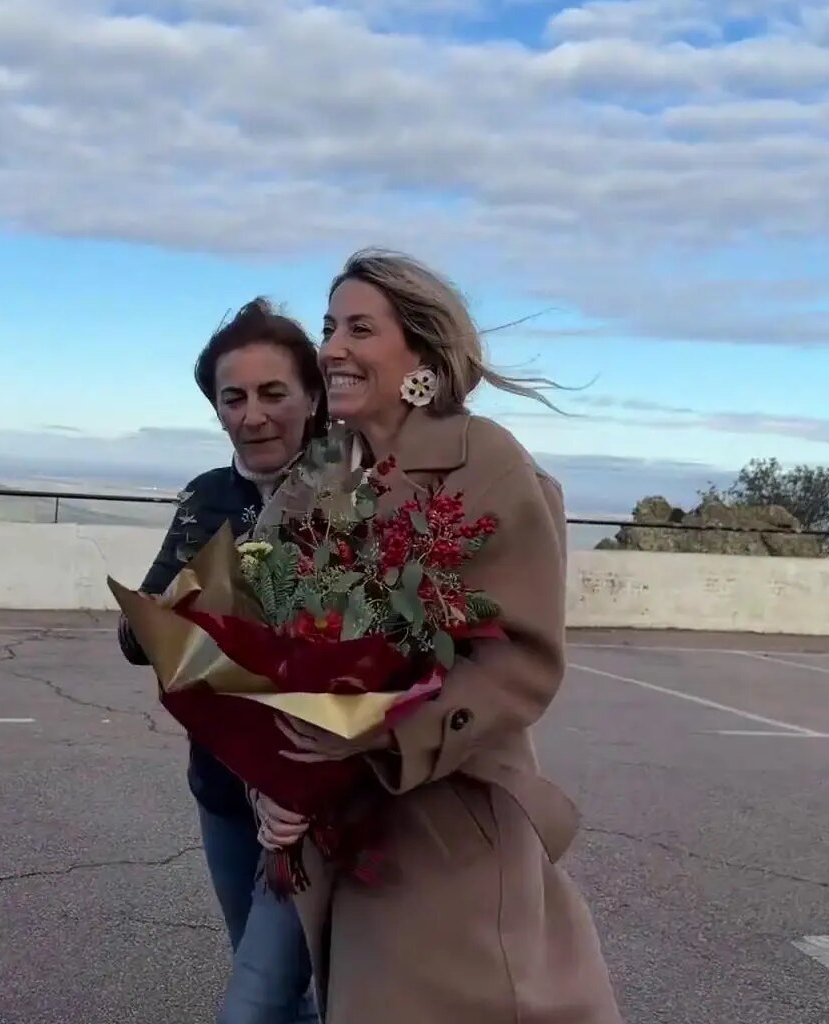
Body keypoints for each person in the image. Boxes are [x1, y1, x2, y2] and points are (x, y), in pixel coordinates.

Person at [252, 249, 623, 1023]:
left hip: (445, 826)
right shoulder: (322, 467)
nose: (332, 348)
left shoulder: (483, 460)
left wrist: (376, 731)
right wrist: (272, 780)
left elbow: (518, 659)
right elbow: (254, 624)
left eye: (360, 329)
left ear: (421, 350)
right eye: (328, 328)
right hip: (334, 828)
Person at [119, 297, 327, 1024]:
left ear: (312, 397)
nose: (252, 416)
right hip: (224, 791)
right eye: (233, 398)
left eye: (273, 393)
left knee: (262, 999)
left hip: (316, 800)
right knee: (271, 987)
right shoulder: (208, 495)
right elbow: (137, 636)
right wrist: (177, 602)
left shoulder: (351, 496)